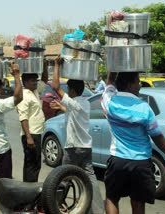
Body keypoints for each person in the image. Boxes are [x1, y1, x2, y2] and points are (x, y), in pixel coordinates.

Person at [101, 72, 165, 214]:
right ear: (129, 84)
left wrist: (114, 65)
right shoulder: (144, 108)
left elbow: (109, 83)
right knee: (138, 201)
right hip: (141, 163)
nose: (139, 85)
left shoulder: (110, 103)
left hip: (118, 160)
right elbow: (157, 137)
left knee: (112, 198)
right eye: (138, 82)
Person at [49, 57, 105, 214]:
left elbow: (54, 86)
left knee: (62, 178)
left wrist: (56, 65)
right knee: (90, 179)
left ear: (72, 91)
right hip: (86, 147)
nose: (66, 92)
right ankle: (98, 210)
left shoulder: (73, 102)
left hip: (73, 148)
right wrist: (61, 106)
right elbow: (73, 113)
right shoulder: (85, 102)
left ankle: (55, 206)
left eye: (67, 90)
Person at [16, 61, 48, 182]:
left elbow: (44, 79)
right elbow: (23, 118)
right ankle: (28, 191)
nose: (35, 82)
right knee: (31, 165)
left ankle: (30, 189)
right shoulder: (24, 96)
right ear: (25, 82)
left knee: (35, 164)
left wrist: (44, 62)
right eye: (32, 80)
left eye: (36, 80)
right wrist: (29, 137)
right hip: (31, 134)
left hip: (36, 133)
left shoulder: (34, 92)